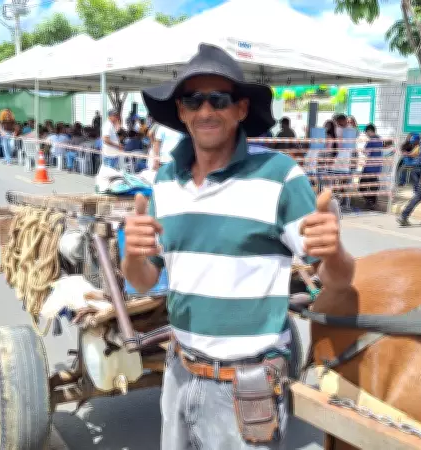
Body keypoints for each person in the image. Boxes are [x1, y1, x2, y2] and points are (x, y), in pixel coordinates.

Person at [126, 43, 354, 450]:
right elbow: (143, 281)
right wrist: (132, 254)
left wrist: (333, 251)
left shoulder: (280, 176)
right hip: (178, 373)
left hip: (246, 386)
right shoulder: (164, 180)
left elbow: (336, 279)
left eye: (219, 99)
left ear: (241, 109)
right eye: (193, 100)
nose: (205, 110)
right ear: (181, 111)